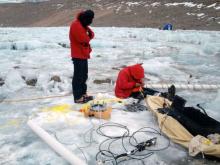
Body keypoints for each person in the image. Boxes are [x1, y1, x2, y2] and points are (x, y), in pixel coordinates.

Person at [69, 10, 95, 103]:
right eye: (90, 19)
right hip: (78, 54)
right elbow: (84, 39)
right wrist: (88, 36)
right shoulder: (76, 25)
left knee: (84, 76)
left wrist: (88, 34)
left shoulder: (83, 24)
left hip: (83, 54)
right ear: (86, 18)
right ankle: (78, 97)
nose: (90, 21)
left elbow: (91, 34)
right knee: (78, 76)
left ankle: (83, 94)